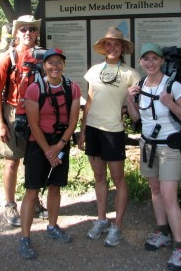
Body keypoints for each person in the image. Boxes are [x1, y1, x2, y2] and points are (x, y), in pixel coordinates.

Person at [126, 42, 181, 271]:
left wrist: (171, 104)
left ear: (162, 61)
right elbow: (137, 118)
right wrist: (129, 100)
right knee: (155, 192)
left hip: (171, 147)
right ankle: (163, 231)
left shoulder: (174, 86)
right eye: (146, 59)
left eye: (155, 58)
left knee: (168, 197)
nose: (150, 63)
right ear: (141, 62)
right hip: (148, 146)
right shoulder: (140, 85)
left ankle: (180, 247)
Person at [78, 26, 140, 247]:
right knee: (99, 177)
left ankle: (118, 226)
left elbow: (136, 105)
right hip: (93, 129)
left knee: (118, 179)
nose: (112, 47)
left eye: (116, 44)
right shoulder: (94, 71)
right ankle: (102, 219)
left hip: (114, 131)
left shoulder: (131, 74)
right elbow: (90, 100)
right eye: (108, 44)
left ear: (122, 48)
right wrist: (83, 130)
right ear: (104, 48)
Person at [18, 48, 81, 259]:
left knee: (55, 187)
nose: (55, 66)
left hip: (60, 144)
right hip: (39, 145)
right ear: (44, 66)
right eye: (50, 63)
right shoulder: (34, 89)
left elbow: (73, 121)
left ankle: (52, 226)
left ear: (64, 64)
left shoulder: (73, 88)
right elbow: (34, 125)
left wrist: (60, 145)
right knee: (32, 190)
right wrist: (48, 152)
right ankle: (25, 238)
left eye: (59, 62)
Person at [0, 15, 47, 227]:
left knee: (34, 159)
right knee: (12, 161)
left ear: (36, 33)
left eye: (32, 29)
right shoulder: (7, 58)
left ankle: (32, 201)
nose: (27, 33)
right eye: (23, 29)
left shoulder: (42, 57)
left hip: (38, 113)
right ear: (16, 33)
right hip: (13, 112)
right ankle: (10, 204)